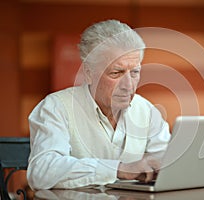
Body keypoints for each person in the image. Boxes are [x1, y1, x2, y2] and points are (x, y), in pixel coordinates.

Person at [27, 19, 171, 190]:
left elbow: (168, 163)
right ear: (88, 73)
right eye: (116, 73)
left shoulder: (147, 111)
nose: (128, 85)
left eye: (135, 72)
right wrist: (118, 169)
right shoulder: (56, 107)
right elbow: (42, 172)